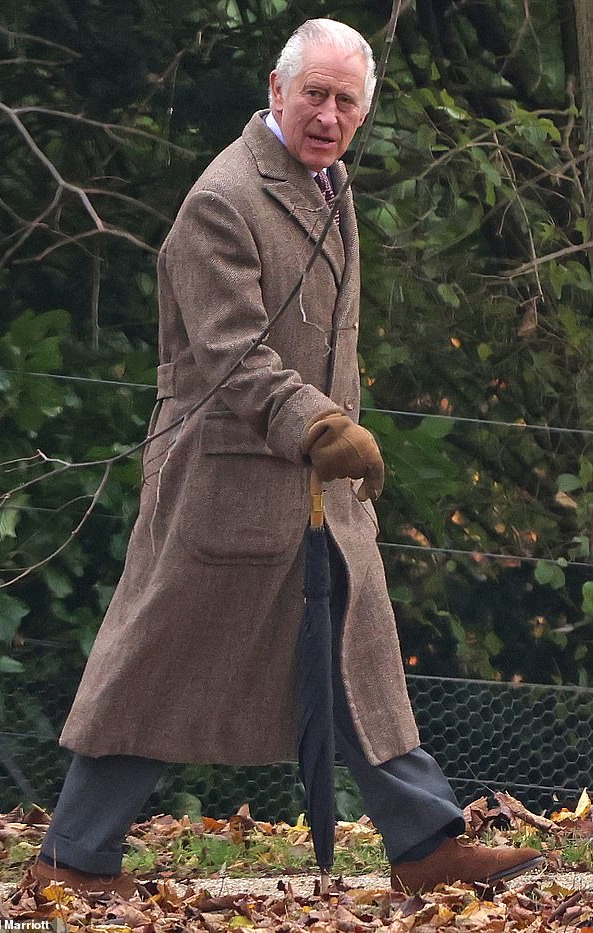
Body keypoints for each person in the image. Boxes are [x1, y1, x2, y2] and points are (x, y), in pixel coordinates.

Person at [29, 18, 542, 897]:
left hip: (314, 489)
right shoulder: (222, 200)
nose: (329, 114)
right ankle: (72, 859)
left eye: (347, 101)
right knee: (159, 667)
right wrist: (322, 429)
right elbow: (232, 354)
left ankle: (424, 843)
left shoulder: (328, 185)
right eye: (315, 94)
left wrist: (332, 438)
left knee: (361, 660)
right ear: (276, 89)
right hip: (222, 489)